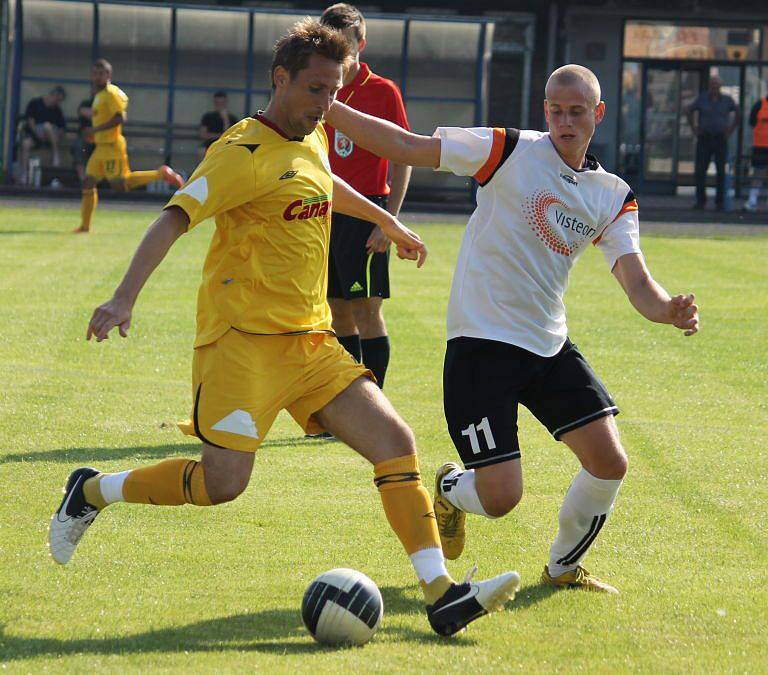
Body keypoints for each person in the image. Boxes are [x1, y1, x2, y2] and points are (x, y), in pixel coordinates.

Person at [48, 19, 520, 637]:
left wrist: (390, 221)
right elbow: (173, 217)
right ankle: (92, 491)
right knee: (223, 484)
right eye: (317, 90)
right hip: (240, 346)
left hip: (311, 341)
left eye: (335, 90)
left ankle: (441, 595)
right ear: (281, 79)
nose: (328, 104)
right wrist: (122, 298)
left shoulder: (314, 131)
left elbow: (324, 185)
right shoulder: (240, 152)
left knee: (396, 441)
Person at [326, 63, 700, 594]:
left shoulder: (612, 194)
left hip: (548, 345)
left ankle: (563, 568)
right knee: (502, 498)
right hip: (481, 344)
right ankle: (452, 487)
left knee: (609, 462)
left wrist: (669, 309)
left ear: (598, 115)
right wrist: (328, 105)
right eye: (555, 110)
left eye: (576, 112)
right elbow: (409, 147)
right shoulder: (507, 150)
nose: (564, 121)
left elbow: (637, 283)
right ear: (543, 109)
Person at [320, 3, 412, 390]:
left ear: (362, 43)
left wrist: (385, 221)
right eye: (332, 46)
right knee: (337, 311)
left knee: (366, 311)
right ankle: (349, 402)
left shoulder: (382, 91)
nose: (340, 56)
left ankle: (376, 404)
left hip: (368, 211)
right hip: (323, 211)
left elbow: (403, 157)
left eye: (347, 46)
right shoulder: (316, 89)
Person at [74, 59, 184, 234]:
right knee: (88, 182)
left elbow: (120, 118)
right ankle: (85, 226)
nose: (97, 76)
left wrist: (94, 129)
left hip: (112, 147)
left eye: (101, 73)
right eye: (95, 73)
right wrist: (95, 135)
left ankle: (161, 174)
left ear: (109, 75)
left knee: (120, 185)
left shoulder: (112, 93)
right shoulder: (99, 95)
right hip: (100, 147)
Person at [686, 75, 738, 210]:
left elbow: (738, 113)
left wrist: (730, 129)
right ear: (710, 85)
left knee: (721, 171)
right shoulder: (702, 98)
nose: (715, 87)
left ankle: (719, 202)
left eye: (717, 84)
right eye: (713, 84)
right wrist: (694, 128)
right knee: (700, 171)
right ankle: (700, 201)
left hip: (720, 139)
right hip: (704, 138)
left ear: (720, 86)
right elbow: (690, 110)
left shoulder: (727, 100)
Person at [19, 85, 67, 183]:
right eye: (57, 99)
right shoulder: (35, 103)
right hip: (36, 135)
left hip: (50, 137)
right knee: (25, 144)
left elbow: (62, 128)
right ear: (53, 95)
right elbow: (30, 121)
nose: (57, 103)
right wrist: (37, 135)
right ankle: (23, 175)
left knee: (47, 126)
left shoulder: (57, 110)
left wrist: (57, 136)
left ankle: (56, 154)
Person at [743, 87, 768, 212]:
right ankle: (752, 201)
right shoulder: (760, 104)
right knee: (758, 173)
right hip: (760, 146)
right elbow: (752, 122)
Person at [198, 91, 238, 160]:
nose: (219, 105)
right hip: (210, 142)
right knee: (202, 150)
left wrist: (225, 119)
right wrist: (219, 136)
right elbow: (202, 134)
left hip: (226, 144)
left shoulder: (232, 118)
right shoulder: (208, 116)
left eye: (222, 103)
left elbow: (230, 135)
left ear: (225, 103)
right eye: (217, 103)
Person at [71, 93, 95, 183]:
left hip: (102, 139)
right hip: (85, 137)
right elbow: (83, 111)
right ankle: (83, 181)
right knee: (78, 146)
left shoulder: (110, 105)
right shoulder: (87, 103)